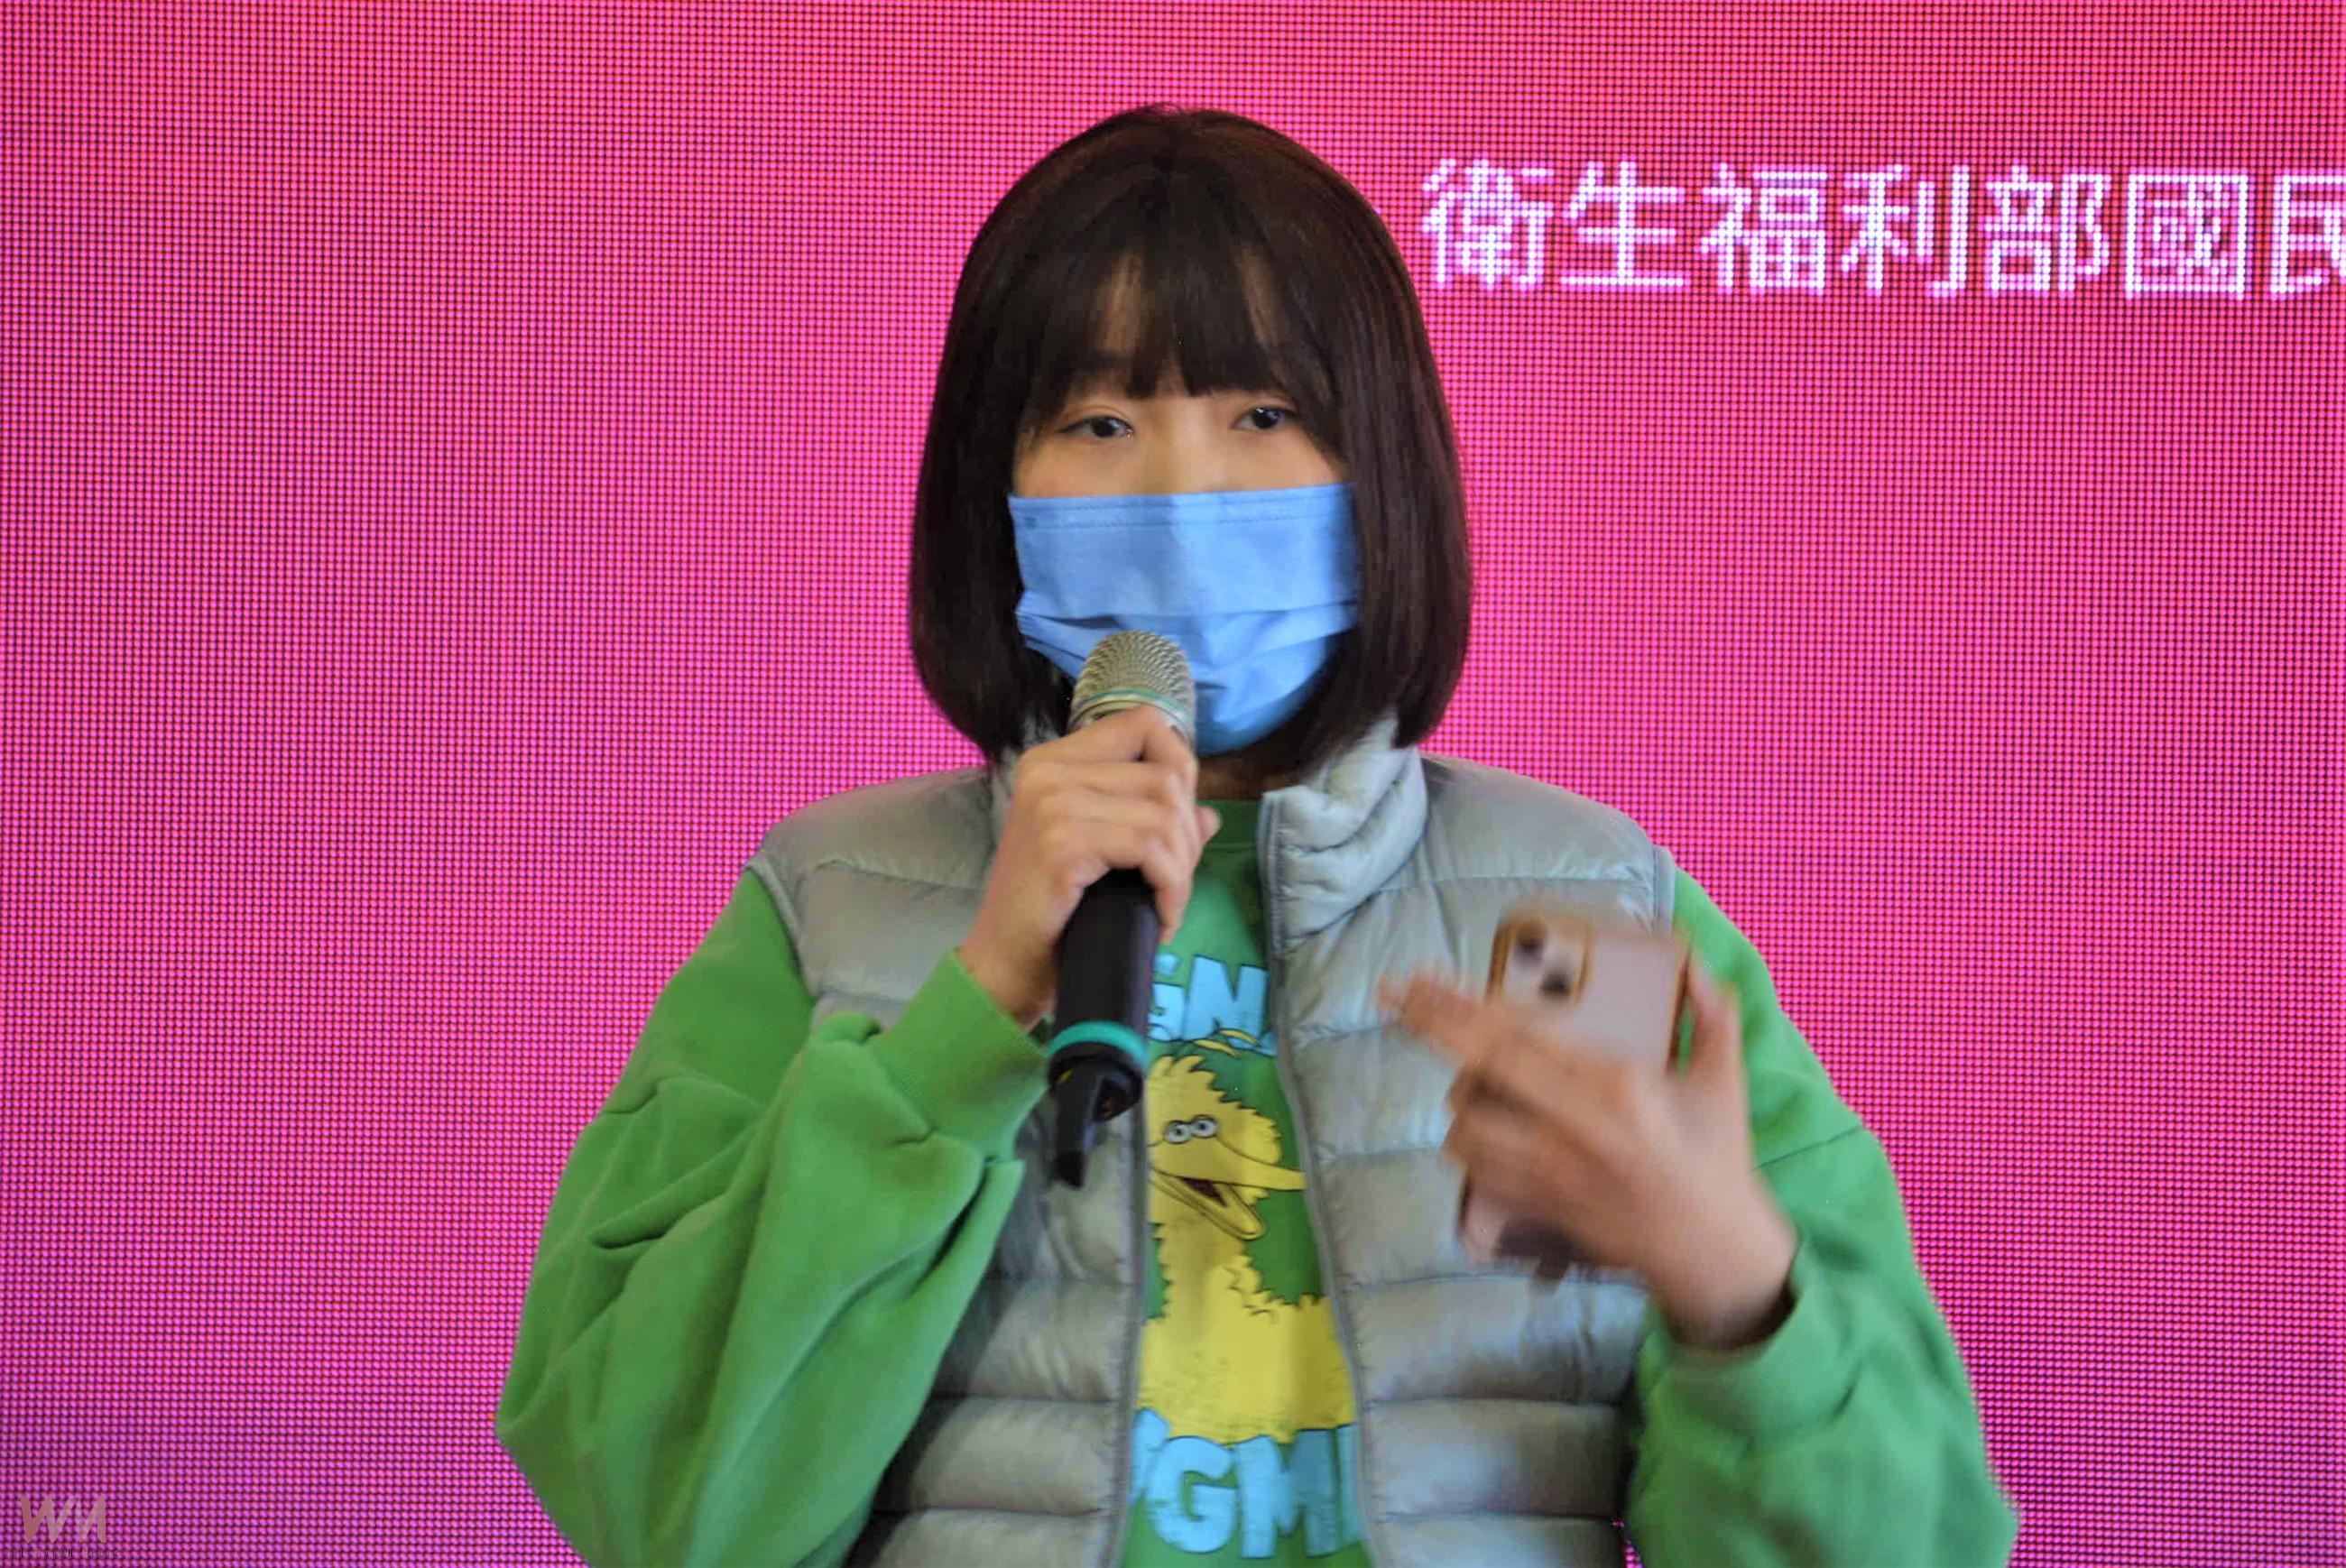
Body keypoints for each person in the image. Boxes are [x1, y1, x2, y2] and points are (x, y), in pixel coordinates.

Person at [494, 105, 2023, 1568]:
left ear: (1383, 471)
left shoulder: (1589, 912)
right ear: (990, 492)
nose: (1184, 489)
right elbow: (654, 1502)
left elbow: (1917, 1542)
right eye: (1099, 421)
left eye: (1266, 415)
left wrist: (1735, 1289)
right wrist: (957, 1032)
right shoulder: (829, 904)